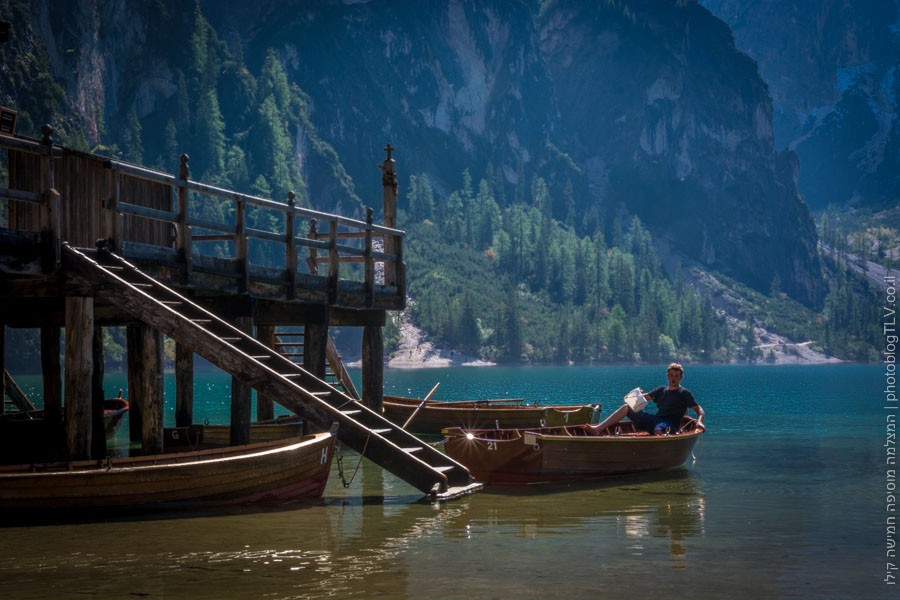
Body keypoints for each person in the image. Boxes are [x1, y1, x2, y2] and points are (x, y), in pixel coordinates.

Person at [595, 362, 705, 434]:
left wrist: (699, 421)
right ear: (667, 376)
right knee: (626, 408)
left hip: (670, 425)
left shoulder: (684, 393)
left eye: (676, 376)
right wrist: (638, 393)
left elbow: (699, 410)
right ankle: (598, 429)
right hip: (655, 420)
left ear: (681, 377)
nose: (673, 379)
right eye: (671, 375)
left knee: (658, 429)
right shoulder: (661, 390)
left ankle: (657, 449)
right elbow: (642, 398)